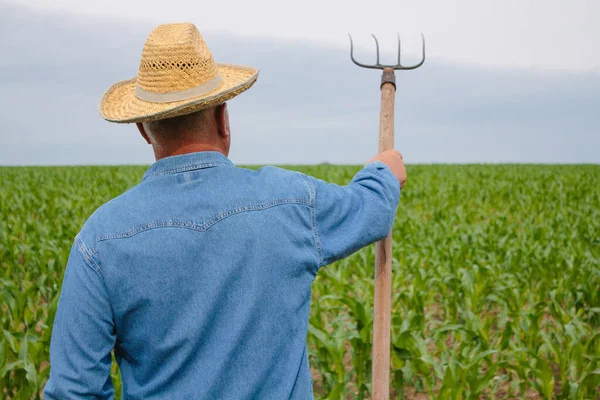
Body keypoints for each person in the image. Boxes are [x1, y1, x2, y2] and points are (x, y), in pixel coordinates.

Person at [43, 22, 406, 399]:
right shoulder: (291, 201)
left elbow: (74, 390)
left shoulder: (100, 240)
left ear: (143, 129)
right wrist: (386, 170)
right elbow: (370, 210)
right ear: (222, 117)